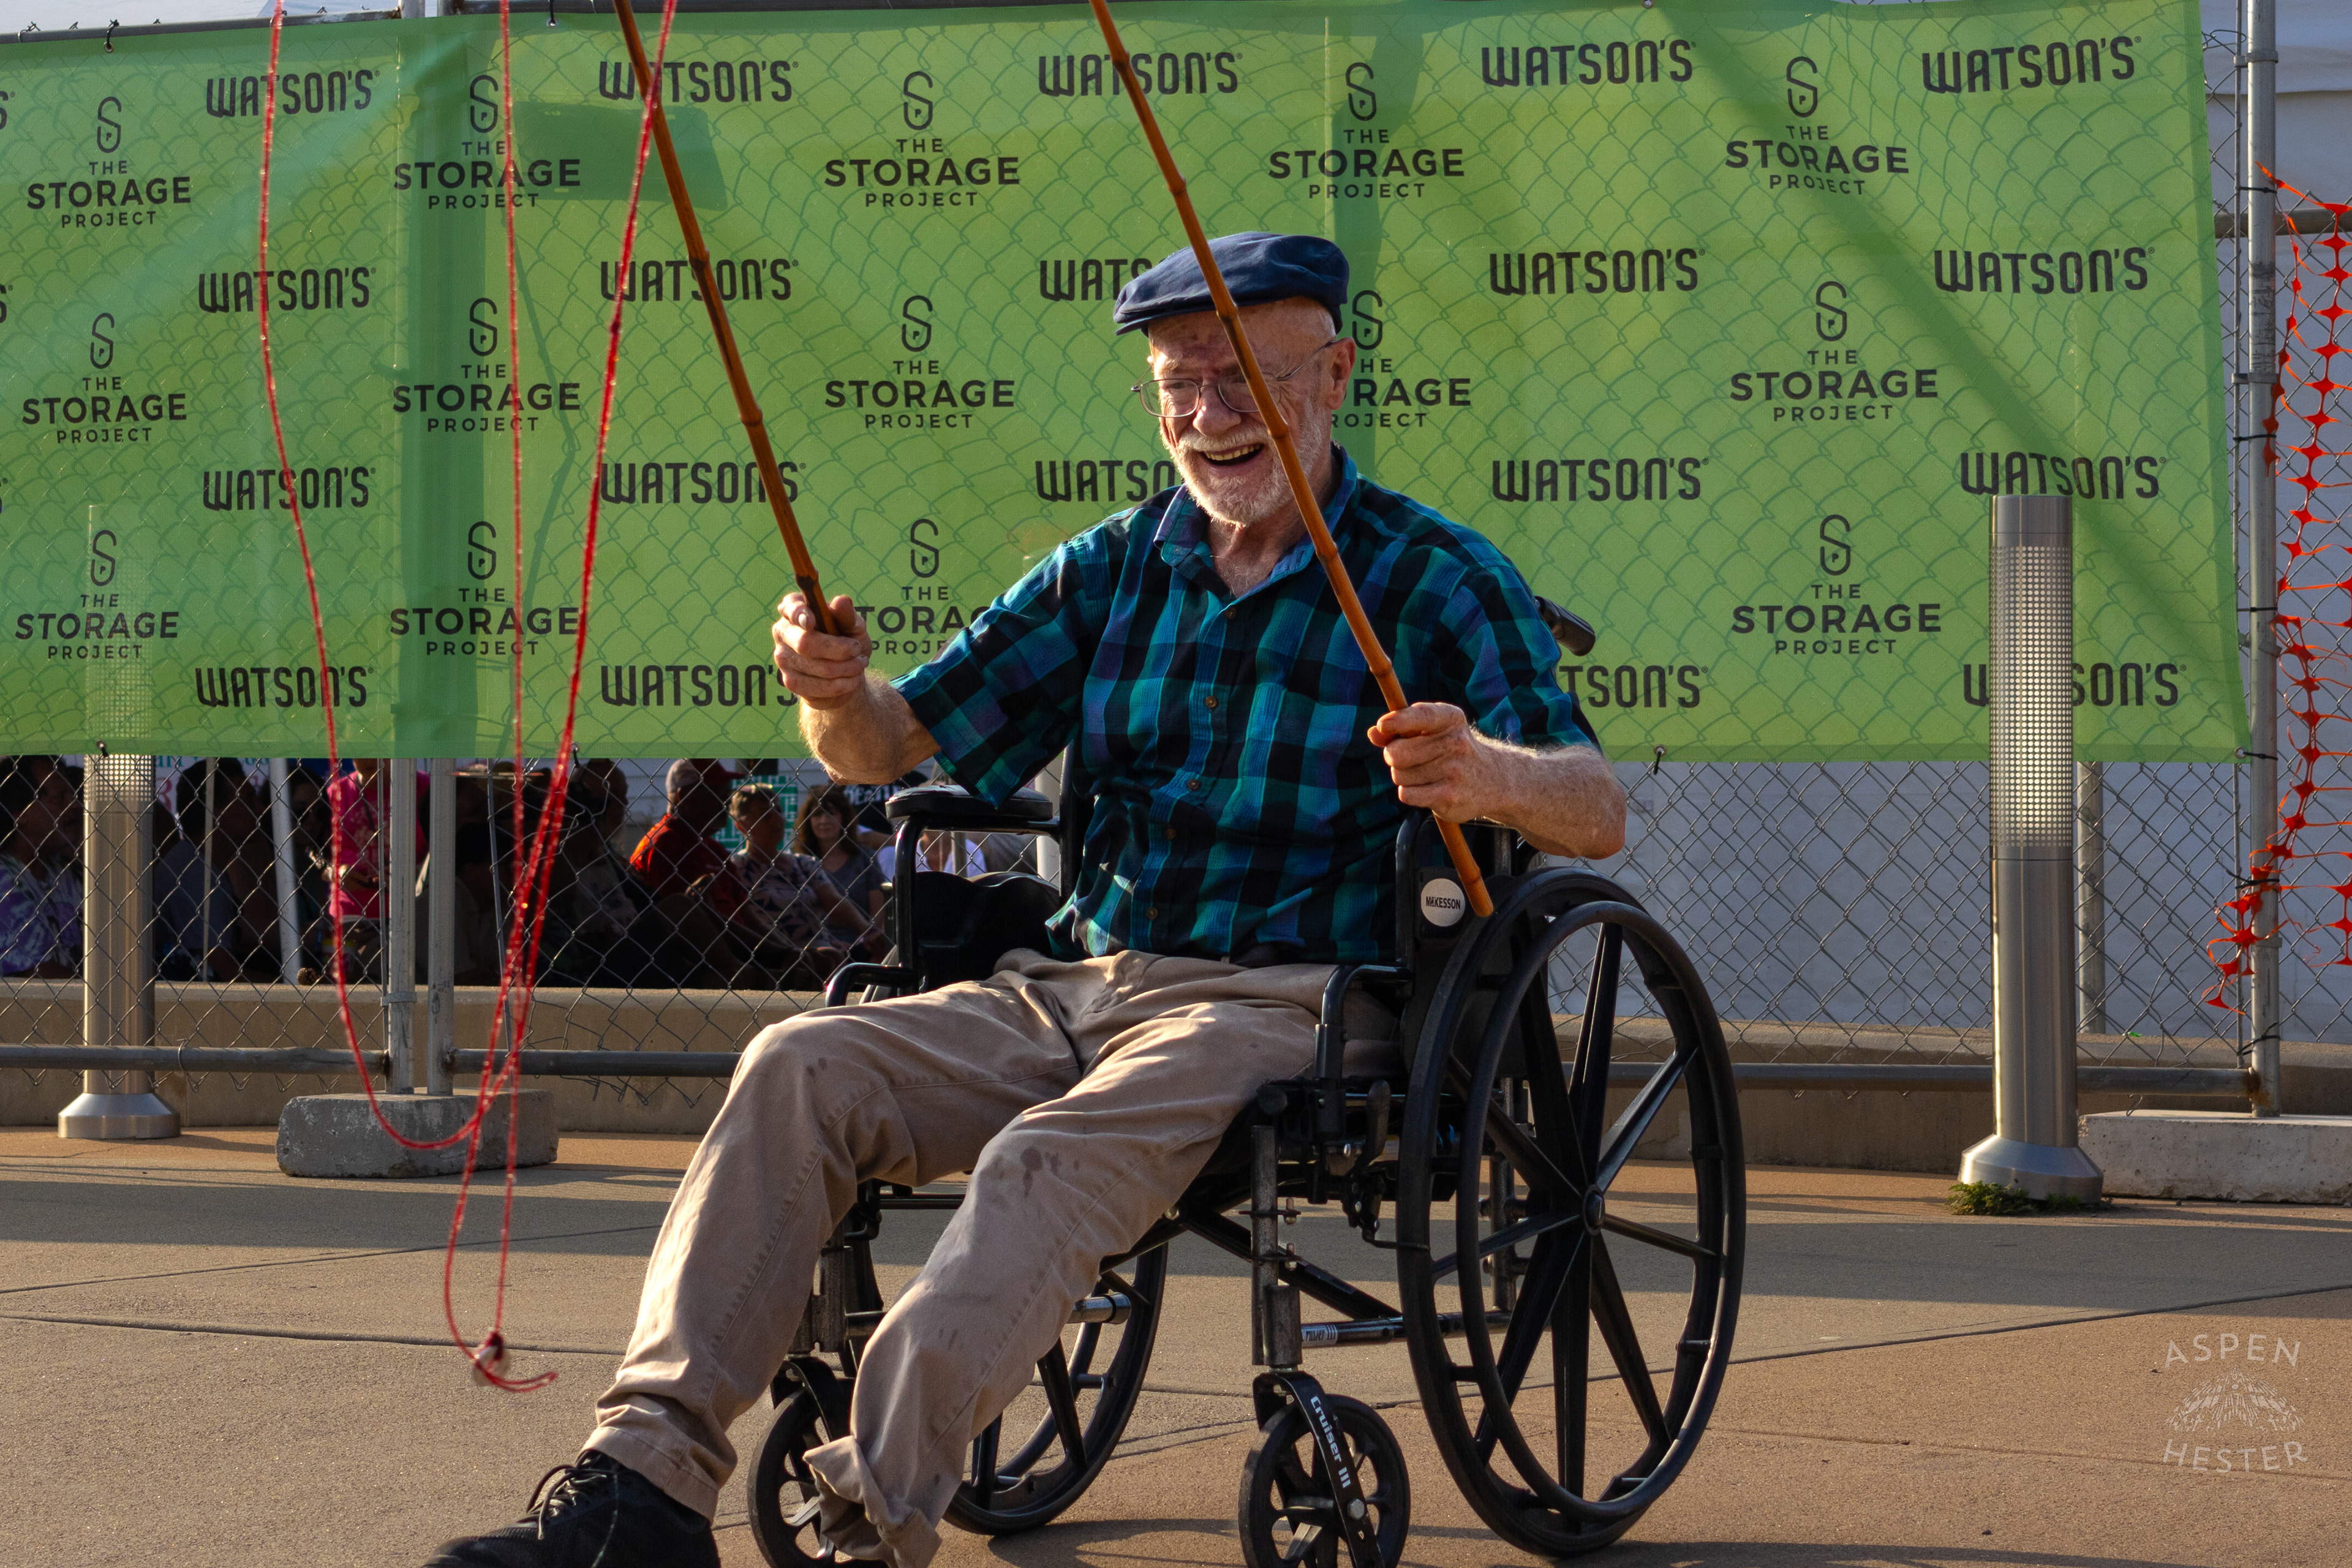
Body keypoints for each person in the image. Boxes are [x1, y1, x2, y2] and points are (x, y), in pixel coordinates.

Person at [425, 232, 1623, 1568]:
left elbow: (1595, 805)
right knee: (797, 1063)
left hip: (1296, 1000)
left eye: (1243, 382)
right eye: (1178, 385)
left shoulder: (1435, 577)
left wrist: (1485, 769)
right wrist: (829, 691)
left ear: (1334, 374)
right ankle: (640, 1491)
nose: (1207, 419)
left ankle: (870, 1511)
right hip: (1081, 981)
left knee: (1046, 1156)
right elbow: (893, 742)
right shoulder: (1114, 566)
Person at [706, 783, 877, 989]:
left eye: (778, 810)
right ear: (742, 825)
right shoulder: (736, 869)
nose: (777, 820)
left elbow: (835, 902)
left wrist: (868, 931)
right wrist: (800, 953)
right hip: (780, 959)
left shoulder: (804, 864)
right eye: (765, 815)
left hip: (827, 952)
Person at [0, 758, 80, 978]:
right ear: (20, 813)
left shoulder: (66, 871)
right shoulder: (4, 881)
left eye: (73, 794)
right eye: (58, 798)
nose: (75, 804)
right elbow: (43, 975)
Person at [627, 759, 743, 902]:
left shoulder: (714, 848)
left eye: (728, 792)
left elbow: (745, 911)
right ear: (684, 797)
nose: (727, 801)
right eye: (717, 791)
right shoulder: (667, 846)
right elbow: (683, 916)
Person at [794, 782, 886, 920]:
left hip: (861, 937)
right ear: (808, 821)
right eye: (817, 815)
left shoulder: (866, 859)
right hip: (813, 940)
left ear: (844, 818)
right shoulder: (798, 862)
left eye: (831, 813)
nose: (824, 821)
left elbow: (878, 916)